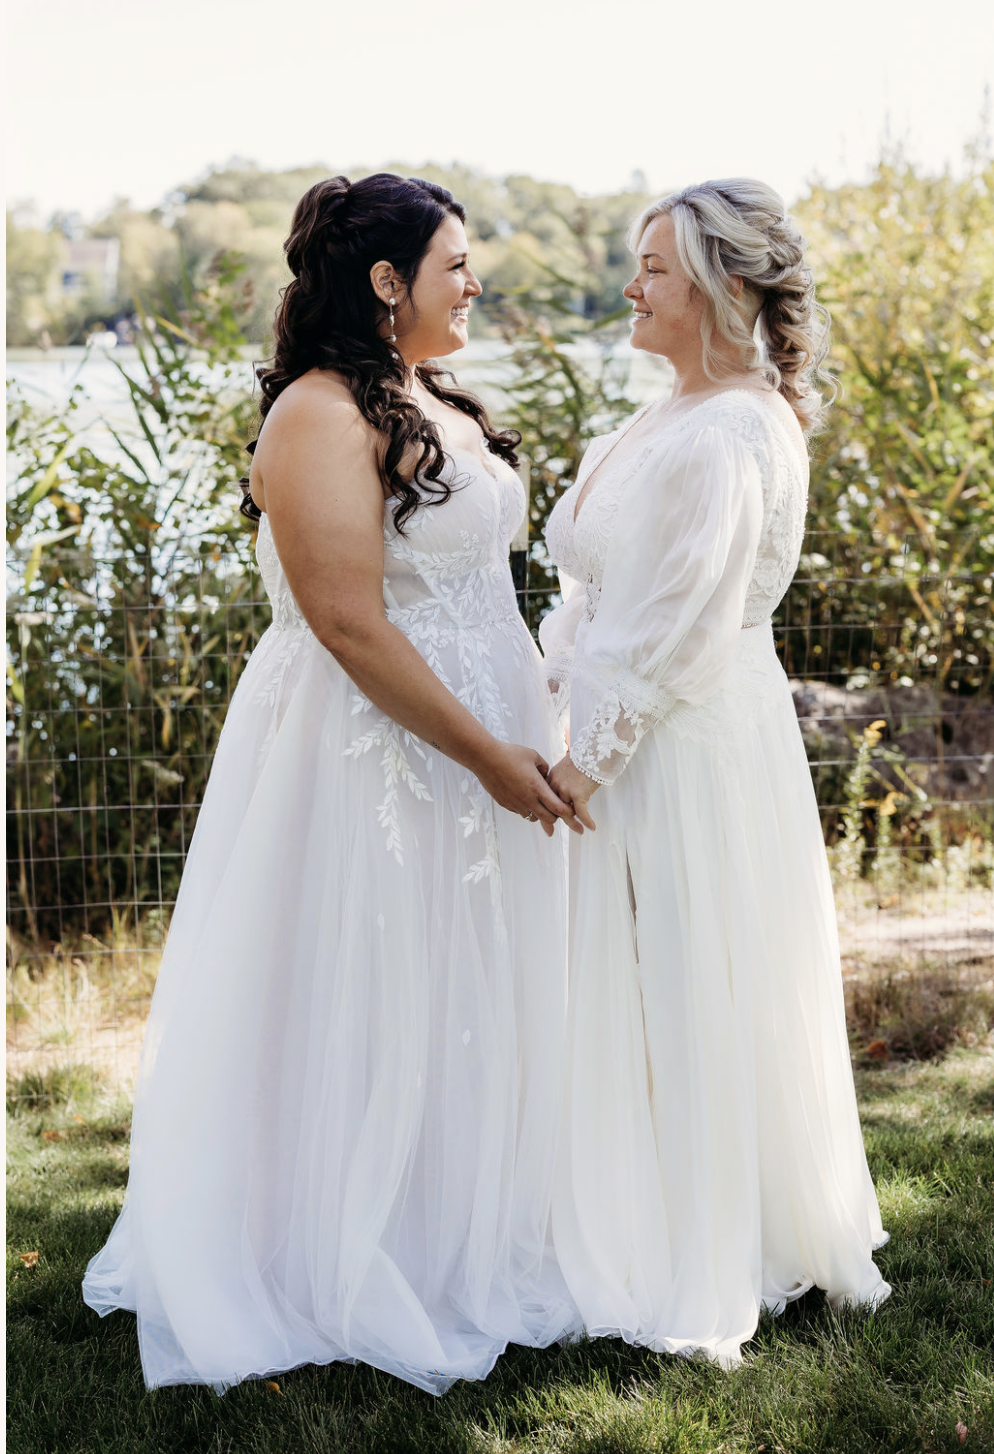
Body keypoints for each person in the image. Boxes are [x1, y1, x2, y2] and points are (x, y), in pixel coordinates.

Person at [83, 173, 582, 1394]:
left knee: (464, 978)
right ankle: (335, 1244)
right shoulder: (314, 413)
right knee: (367, 978)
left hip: (478, 746)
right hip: (374, 750)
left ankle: (457, 1225)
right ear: (384, 279)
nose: (475, 283)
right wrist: (484, 751)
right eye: (455, 264)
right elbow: (349, 623)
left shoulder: (429, 396)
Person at [541, 178, 891, 1367]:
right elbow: (602, 594)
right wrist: (547, 689)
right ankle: (626, 1200)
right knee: (636, 980)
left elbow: (677, 624)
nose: (630, 286)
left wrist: (583, 765)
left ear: (723, 285)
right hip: (626, 723)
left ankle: (698, 1240)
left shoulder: (737, 428)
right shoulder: (667, 413)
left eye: (653, 268)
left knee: (692, 974)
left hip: (682, 743)